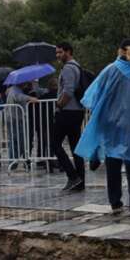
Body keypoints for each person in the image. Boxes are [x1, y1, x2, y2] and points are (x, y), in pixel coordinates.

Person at [75, 39, 130, 216]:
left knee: (113, 162)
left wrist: (100, 116)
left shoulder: (110, 70)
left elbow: (95, 95)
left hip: (111, 124)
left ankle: (115, 202)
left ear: (120, 51)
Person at [53, 42, 86, 191]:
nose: (58, 55)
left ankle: (73, 177)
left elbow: (68, 91)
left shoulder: (68, 68)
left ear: (68, 52)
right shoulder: (78, 66)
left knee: (54, 144)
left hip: (67, 112)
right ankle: (80, 182)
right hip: (77, 111)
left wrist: (59, 105)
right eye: (57, 53)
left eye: (60, 52)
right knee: (75, 147)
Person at [5, 81, 38, 169]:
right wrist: (30, 98)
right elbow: (18, 97)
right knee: (18, 141)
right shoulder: (15, 90)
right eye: (25, 82)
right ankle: (13, 162)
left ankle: (14, 162)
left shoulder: (15, 89)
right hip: (15, 119)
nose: (26, 84)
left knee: (16, 141)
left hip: (14, 119)